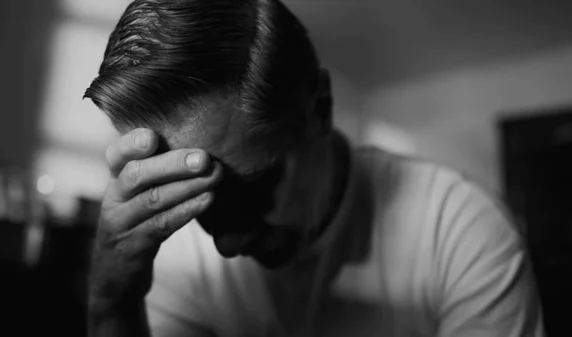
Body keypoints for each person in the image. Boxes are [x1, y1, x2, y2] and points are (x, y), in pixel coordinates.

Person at [84, 0, 545, 336]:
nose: (226, 242)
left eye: (251, 188)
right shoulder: (178, 251)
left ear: (321, 108)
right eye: (193, 199)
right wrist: (112, 304)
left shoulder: (461, 231)